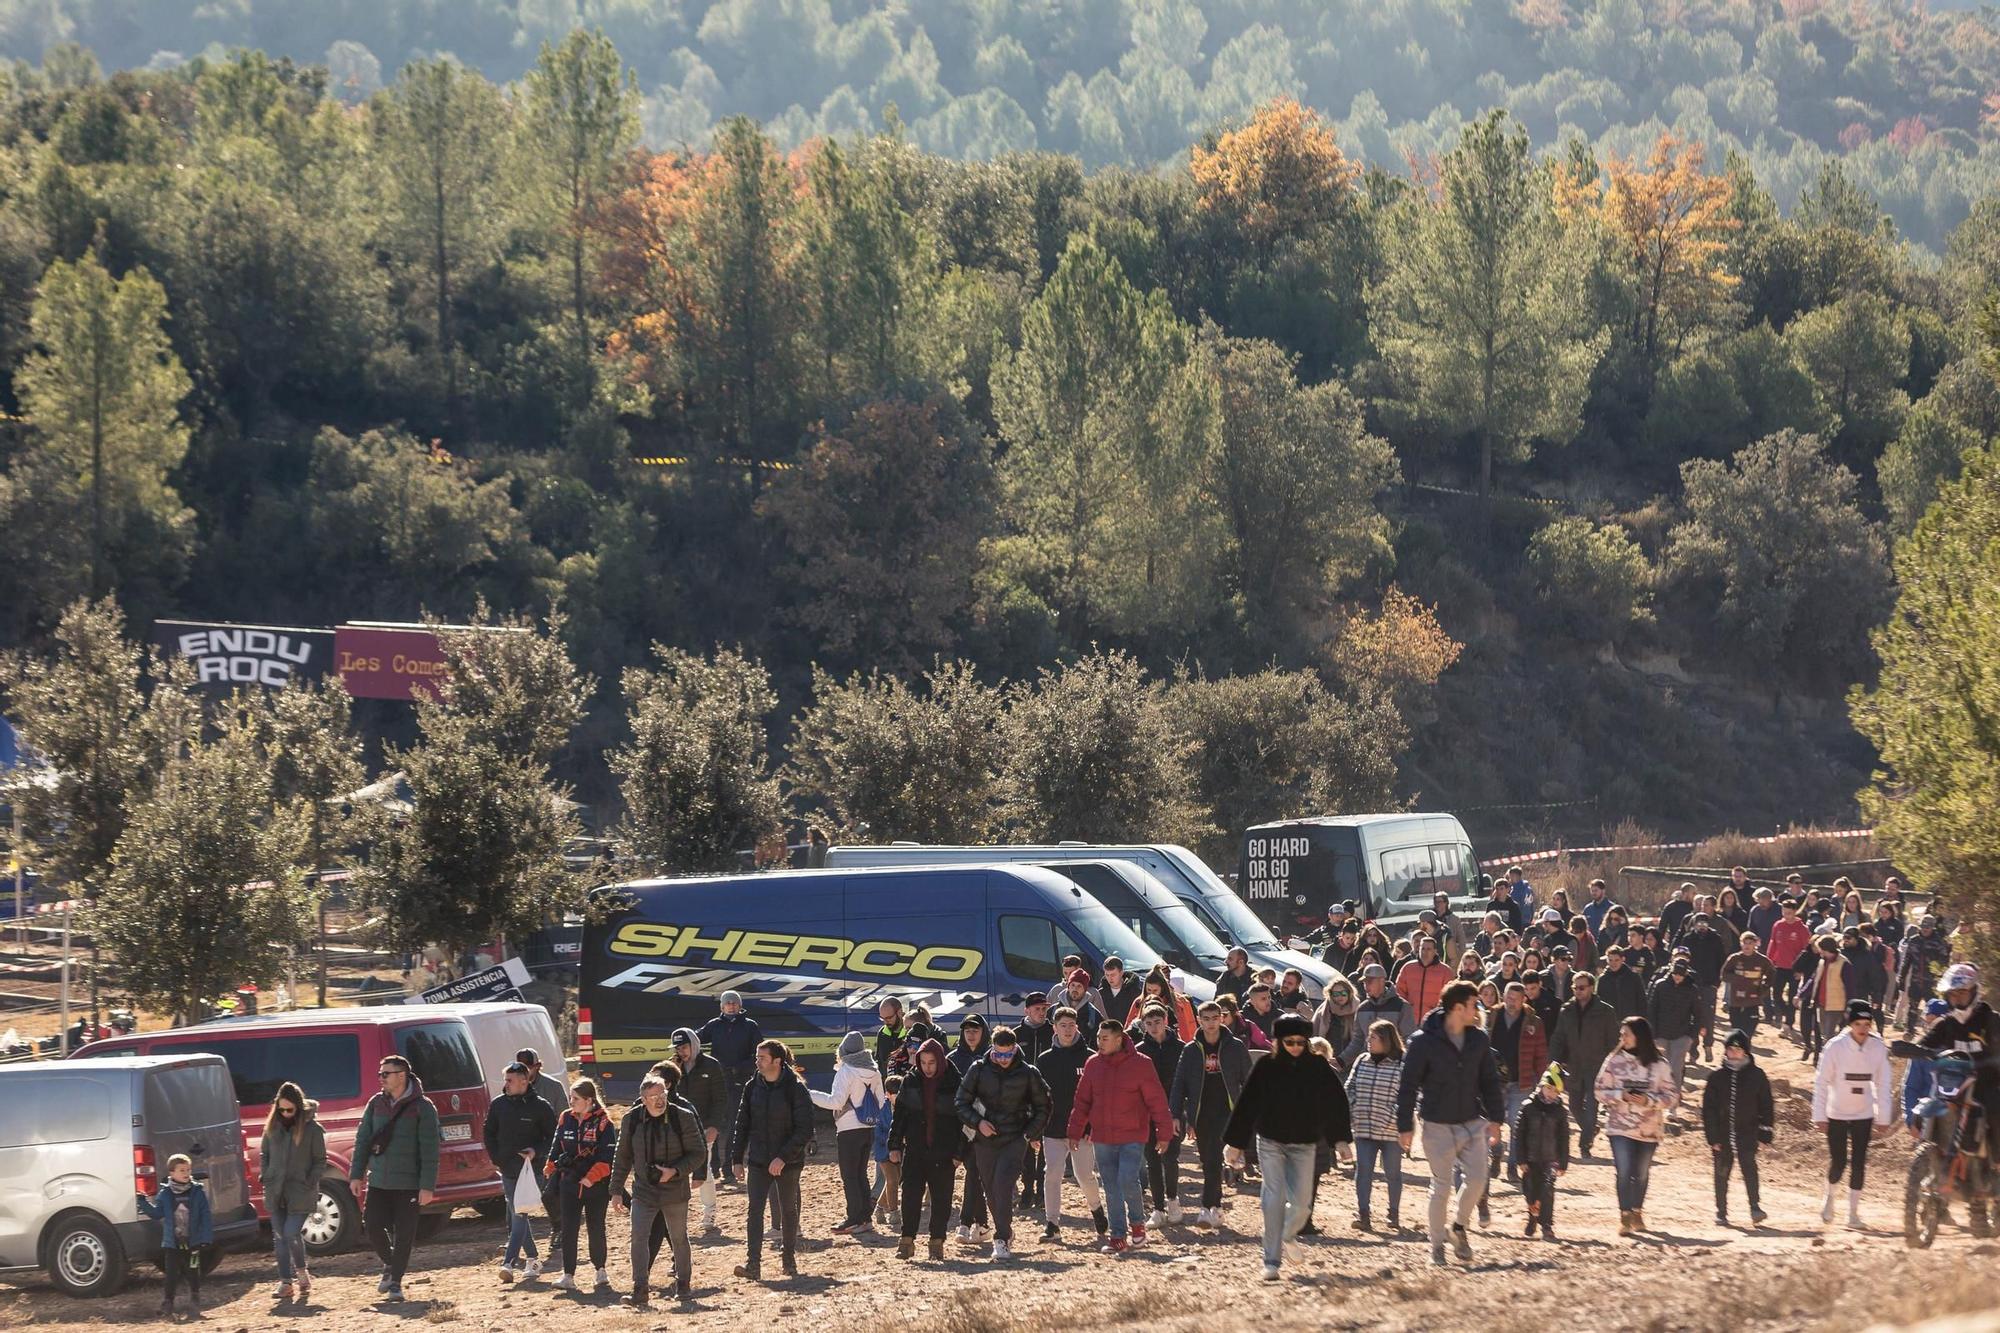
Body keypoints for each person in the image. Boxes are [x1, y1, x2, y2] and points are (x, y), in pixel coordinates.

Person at [1222, 1013, 1352, 1281]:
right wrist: (1235, 1144)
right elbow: (1247, 1105)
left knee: (1303, 1205)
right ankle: (1271, 1260)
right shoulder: (1266, 1067)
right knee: (1273, 1199)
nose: (1295, 1047)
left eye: (1300, 1042)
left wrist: (1340, 1140)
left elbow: (1336, 1104)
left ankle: (1288, 1234)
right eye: (1289, 1042)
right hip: (1270, 1142)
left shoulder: (1317, 1067)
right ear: (1278, 1042)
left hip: (1305, 1144)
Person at [1396, 980, 1504, 1267]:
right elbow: (1407, 1085)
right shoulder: (1422, 1042)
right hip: (1437, 1124)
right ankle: (1436, 1246)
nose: (1478, 1009)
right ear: (1458, 1008)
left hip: (1472, 1121)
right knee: (1441, 1186)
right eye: (1473, 1004)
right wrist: (1404, 1124)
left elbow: (1490, 1081)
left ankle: (1458, 1226)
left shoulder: (1479, 1039)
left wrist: (1496, 1118)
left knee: (1479, 1180)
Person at [1069, 1018, 1171, 1255]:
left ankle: (1137, 1225)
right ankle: (1117, 1236)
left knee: (1127, 1180)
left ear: (1118, 1039)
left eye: (1104, 1038)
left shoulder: (1141, 1064)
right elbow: (1082, 1100)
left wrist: (1163, 1133)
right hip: (1103, 1136)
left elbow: (1156, 1100)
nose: (1099, 1043)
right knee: (1111, 1186)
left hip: (1132, 1135)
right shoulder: (1093, 1064)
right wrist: (1074, 1131)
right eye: (1098, 1038)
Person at [347, 1053, 439, 1303]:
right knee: (373, 1225)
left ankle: (396, 1283)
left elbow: (430, 1150)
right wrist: (356, 1174)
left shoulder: (423, 1108)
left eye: (385, 1074)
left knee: (405, 1235)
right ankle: (391, 1265)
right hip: (378, 1181)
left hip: (409, 1183)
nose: (381, 1078)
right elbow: (363, 1139)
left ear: (401, 1075)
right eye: (380, 1073)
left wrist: (426, 1186)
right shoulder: (376, 1103)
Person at [611, 1068, 705, 1309]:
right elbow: (622, 1158)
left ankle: (683, 1287)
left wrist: (674, 1171)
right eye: (654, 1097)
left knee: (679, 1238)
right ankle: (640, 1290)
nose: (660, 1099)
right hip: (644, 1191)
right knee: (638, 1238)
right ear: (643, 1100)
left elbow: (699, 1153)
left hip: (675, 1190)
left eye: (663, 1093)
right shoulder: (631, 1120)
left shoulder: (682, 1116)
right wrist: (616, 1190)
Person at [957, 1024, 1051, 1261]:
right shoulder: (978, 1069)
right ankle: (1006, 1230)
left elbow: (1044, 1106)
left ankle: (1000, 1239)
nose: (1004, 1059)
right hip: (984, 1140)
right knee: (990, 1190)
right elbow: (961, 1101)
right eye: (999, 1054)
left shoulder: (1028, 1072)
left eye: (1008, 1054)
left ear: (1015, 1049)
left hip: (1015, 1139)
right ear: (992, 1049)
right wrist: (978, 1123)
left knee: (1002, 1185)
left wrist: (1028, 1134)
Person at [732, 1039, 814, 1281]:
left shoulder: (795, 1088)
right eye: (757, 1057)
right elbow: (742, 1123)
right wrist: (737, 1158)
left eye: (762, 1058)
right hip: (758, 1159)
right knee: (754, 1210)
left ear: (777, 1061)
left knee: (788, 1210)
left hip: (788, 1162)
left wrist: (783, 1157)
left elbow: (804, 1129)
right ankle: (753, 1264)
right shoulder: (751, 1086)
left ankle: (788, 1260)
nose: (757, 1062)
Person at [1812, 999, 1895, 1228]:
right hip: (1836, 1113)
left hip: (1863, 1113)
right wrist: (1819, 1115)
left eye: (1866, 1024)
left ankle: (1853, 1213)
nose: (1862, 1029)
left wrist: (1883, 1117)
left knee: (1859, 1162)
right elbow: (1821, 1081)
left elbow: (1883, 1084)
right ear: (1850, 1024)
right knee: (1839, 1161)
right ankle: (1829, 1196)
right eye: (1857, 1023)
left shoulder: (1878, 1048)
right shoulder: (1835, 1047)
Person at [1595, 1016, 1678, 1235]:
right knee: (1623, 1171)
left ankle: (1637, 1210)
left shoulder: (1660, 1064)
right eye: (1621, 1034)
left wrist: (1649, 1101)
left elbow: (1672, 1095)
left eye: (1627, 1034)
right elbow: (1599, 1091)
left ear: (1640, 1036)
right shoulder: (1613, 1061)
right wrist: (1619, 1095)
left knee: (1640, 1173)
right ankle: (1624, 1216)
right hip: (1619, 1127)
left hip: (1648, 1128)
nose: (1622, 1038)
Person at [1173, 999, 1251, 1228]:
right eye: (1205, 1019)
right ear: (1199, 1020)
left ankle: (1207, 1208)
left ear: (1222, 1018)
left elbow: (1248, 1079)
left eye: (1215, 1018)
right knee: (1208, 1161)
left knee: (1215, 1157)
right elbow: (1180, 1084)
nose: (1211, 1023)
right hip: (1201, 1112)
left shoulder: (1234, 1046)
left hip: (1228, 1111)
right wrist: (1176, 1114)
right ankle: (1216, 1207)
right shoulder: (1190, 1049)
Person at [889, 1037, 963, 1260]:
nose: (927, 1067)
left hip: (944, 1151)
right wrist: (894, 1144)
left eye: (932, 1062)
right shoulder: (910, 1082)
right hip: (915, 1150)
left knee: (941, 1199)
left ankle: (937, 1241)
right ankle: (907, 1239)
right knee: (910, 1195)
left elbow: (965, 1123)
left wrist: (959, 1153)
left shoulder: (955, 1082)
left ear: (940, 1061)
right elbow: (899, 1116)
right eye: (923, 1062)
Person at [257, 1080, 328, 1303]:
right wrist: (266, 1174)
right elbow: (264, 1155)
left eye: (290, 1110)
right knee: (280, 1236)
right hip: (275, 1190)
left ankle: (300, 1271)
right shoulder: (271, 1127)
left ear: (298, 1107)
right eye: (281, 1109)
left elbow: (320, 1160)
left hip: (301, 1190)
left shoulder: (312, 1130)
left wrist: (310, 1180)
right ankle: (286, 1282)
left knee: (290, 1232)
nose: (285, 1114)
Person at [484, 1062, 555, 1284]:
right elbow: (489, 1132)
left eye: (510, 1081)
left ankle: (509, 1262)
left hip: (532, 1171)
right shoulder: (498, 1105)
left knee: (519, 1214)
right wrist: (496, 1158)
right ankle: (532, 1259)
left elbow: (553, 1137)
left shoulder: (541, 1107)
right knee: (516, 1215)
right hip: (507, 1169)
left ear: (525, 1081)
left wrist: (536, 1152)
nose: (506, 1085)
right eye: (505, 1080)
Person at [810, 1030, 887, 1236]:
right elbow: (881, 1102)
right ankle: (864, 1218)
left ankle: (854, 1218)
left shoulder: (846, 1071)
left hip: (848, 1129)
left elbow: (835, 1101)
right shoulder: (875, 1070)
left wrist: (810, 1095)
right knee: (861, 1174)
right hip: (867, 1128)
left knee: (849, 1176)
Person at [546, 1079, 616, 1292]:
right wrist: (550, 1166)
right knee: (569, 1229)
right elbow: (556, 1144)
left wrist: (591, 1177)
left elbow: (608, 1157)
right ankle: (568, 1275)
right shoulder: (565, 1117)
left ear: (588, 1100)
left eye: (575, 1098)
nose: (571, 1101)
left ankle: (600, 1271)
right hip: (569, 1183)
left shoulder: (604, 1123)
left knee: (596, 1227)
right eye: (570, 1097)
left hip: (596, 1187)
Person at [1702, 1029, 1773, 1227]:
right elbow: (1709, 1109)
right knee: (1721, 1172)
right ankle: (1721, 1211)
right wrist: (1713, 1137)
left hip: (1747, 1132)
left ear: (1746, 1052)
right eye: (1730, 1049)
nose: (1734, 1053)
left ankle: (1755, 1207)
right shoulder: (1716, 1077)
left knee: (1749, 1168)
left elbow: (1766, 1105)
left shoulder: (1757, 1076)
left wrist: (1765, 1133)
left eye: (1738, 1049)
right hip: (1722, 1135)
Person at [1548, 970, 1618, 1158]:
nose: (1578, 991)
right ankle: (1590, 1129)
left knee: (1592, 1107)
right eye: (1575, 987)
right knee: (1574, 1105)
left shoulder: (1605, 1011)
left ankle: (1584, 1145)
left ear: (1591, 988)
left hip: (1598, 1066)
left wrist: (1612, 1065)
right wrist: (1553, 1060)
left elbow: (1613, 1041)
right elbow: (1559, 1037)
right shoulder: (1567, 1010)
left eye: (1582, 987)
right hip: (1575, 1065)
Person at [1344, 1019, 1405, 1232]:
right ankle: (1364, 1214)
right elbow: (1349, 1086)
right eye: (1369, 1036)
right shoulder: (1362, 1060)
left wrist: (1396, 1115)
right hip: (1363, 1126)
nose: (1369, 1041)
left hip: (1390, 1130)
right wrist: (1351, 1105)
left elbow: (1408, 1096)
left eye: (1374, 1037)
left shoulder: (1401, 1064)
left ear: (1386, 1040)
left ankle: (1393, 1214)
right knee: (1364, 1171)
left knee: (1393, 1173)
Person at [1487, 981, 1549, 1184]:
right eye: (1508, 997)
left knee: (1516, 1123)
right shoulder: (1492, 1016)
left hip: (1521, 1082)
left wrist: (1541, 1082)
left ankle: (1512, 1165)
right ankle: (1496, 1153)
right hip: (1494, 1082)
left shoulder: (1534, 1022)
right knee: (1490, 1123)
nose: (1510, 1002)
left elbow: (1540, 1054)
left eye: (1515, 998)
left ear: (1524, 999)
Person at [1130, 1004, 1186, 1227]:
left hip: (1173, 1111)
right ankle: (1158, 1208)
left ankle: (1173, 1200)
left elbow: (1185, 1083)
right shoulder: (1140, 1049)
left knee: (1171, 1157)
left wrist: (1184, 1112)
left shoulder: (1181, 1047)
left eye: (1157, 1022)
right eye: (1149, 1023)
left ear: (1166, 1021)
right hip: (1147, 1112)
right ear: (1143, 1024)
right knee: (1152, 1159)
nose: (1154, 1027)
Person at [138, 1152, 213, 1318]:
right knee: (171, 1273)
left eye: (188, 1170)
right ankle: (168, 1302)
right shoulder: (165, 1194)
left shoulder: (197, 1192)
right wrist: (143, 1202)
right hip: (172, 1243)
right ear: (172, 1173)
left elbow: (205, 1216)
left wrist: (206, 1238)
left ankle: (194, 1300)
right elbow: (157, 1214)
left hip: (193, 1242)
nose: (186, 1173)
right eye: (182, 1170)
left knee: (193, 1271)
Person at [699, 991, 762, 1186]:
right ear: (722, 1007)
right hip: (716, 1082)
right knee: (714, 1122)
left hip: (739, 1082)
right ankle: (714, 1166)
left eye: (735, 1003)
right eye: (728, 1003)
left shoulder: (750, 1026)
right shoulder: (714, 1025)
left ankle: (729, 1168)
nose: (731, 1006)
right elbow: (695, 1039)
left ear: (740, 1005)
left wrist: (741, 1068)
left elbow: (758, 1053)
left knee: (735, 1124)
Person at [667, 1029, 726, 1231]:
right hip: (676, 1129)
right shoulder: (672, 1067)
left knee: (705, 1169)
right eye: (678, 1048)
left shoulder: (711, 1065)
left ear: (694, 1044)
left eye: (684, 1047)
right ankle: (677, 1214)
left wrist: (715, 1125)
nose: (681, 1051)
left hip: (703, 1127)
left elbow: (720, 1099)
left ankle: (709, 1212)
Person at [946, 1014, 992, 1239]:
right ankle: (978, 1223)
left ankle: (969, 1223)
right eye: (967, 1031)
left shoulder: (992, 1057)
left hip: (983, 1124)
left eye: (975, 1030)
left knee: (974, 1170)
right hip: (957, 1125)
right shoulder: (953, 1059)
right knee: (972, 1172)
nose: (971, 1034)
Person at [1512, 1066, 1570, 1241]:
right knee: (1530, 1191)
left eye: (1555, 1091)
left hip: (1551, 1159)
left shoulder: (1560, 1112)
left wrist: (1563, 1162)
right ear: (1542, 1086)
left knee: (1547, 1190)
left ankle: (1547, 1225)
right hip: (1530, 1158)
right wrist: (1520, 1158)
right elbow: (1519, 1134)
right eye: (1549, 1088)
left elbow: (1563, 1138)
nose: (1551, 1093)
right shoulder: (1528, 1107)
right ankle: (1532, 1216)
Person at [1646, 955, 1708, 1097]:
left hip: (1681, 1036)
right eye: (1675, 973)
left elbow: (1698, 1014)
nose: (1677, 977)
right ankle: (1659, 1097)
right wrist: (1653, 1034)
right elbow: (1652, 1010)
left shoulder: (1692, 989)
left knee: (1676, 1068)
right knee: (1660, 1068)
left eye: (1680, 974)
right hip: (1661, 1035)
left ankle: (1673, 1102)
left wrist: (1691, 1036)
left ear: (1686, 973)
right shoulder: (1660, 985)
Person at [1343, 963, 1412, 1063]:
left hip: (1394, 1066)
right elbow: (1357, 1041)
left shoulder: (1402, 1006)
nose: (1366, 986)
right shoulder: (1362, 1008)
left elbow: (1409, 1040)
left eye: (1370, 982)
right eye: (1364, 982)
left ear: (1382, 980)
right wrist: (1341, 1060)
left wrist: (1402, 1064)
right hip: (1369, 1065)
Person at [1895, 915, 1954, 1034]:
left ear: (1932, 927)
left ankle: (1936, 1033)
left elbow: (1944, 962)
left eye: (1928, 927)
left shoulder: (1939, 942)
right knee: (1912, 1008)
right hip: (1916, 980)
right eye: (1923, 926)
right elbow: (1907, 960)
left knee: (1934, 1010)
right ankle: (1909, 1030)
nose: (1925, 929)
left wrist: (1940, 979)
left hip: (1932, 983)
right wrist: (1902, 977)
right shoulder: (1914, 940)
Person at [1719, 932, 1773, 1041]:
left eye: (1750, 943)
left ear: (1755, 945)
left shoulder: (1762, 960)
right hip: (1736, 1001)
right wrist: (1738, 978)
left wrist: (1764, 987)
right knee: (1736, 1030)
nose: (1747, 946)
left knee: (1749, 1030)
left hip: (1752, 1001)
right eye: (1744, 943)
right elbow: (1724, 975)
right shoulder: (1734, 958)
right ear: (1741, 944)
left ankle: (1745, 1048)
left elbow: (1772, 973)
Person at [1769, 898, 1811, 1029]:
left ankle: (1788, 1023)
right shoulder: (1778, 925)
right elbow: (1773, 943)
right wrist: (1769, 960)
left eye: (1788, 913)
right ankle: (1788, 1013)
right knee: (1776, 994)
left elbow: (1806, 951)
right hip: (1779, 966)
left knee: (1792, 995)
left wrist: (1801, 970)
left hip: (1794, 968)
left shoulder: (1802, 929)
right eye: (1784, 912)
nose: (1786, 915)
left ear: (1794, 912)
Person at [1395, 935, 1451, 1017]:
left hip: (1434, 1020)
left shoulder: (1445, 971)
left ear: (1435, 951)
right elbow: (1399, 991)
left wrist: (1439, 1011)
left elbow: (1448, 997)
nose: (1425, 952)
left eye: (1429, 949)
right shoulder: (1408, 968)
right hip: (1410, 1019)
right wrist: (1406, 1009)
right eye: (1423, 949)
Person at [1095, 957, 1144, 1028]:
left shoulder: (1135, 992)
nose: (1110, 978)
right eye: (1107, 975)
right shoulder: (1100, 993)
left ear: (1121, 973)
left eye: (1113, 975)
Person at [875, 997, 912, 1078]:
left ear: (899, 1012)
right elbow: (879, 1062)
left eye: (888, 1018)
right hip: (888, 1087)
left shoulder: (910, 1032)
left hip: (906, 1085)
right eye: (882, 1018)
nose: (885, 1022)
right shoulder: (882, 1033)